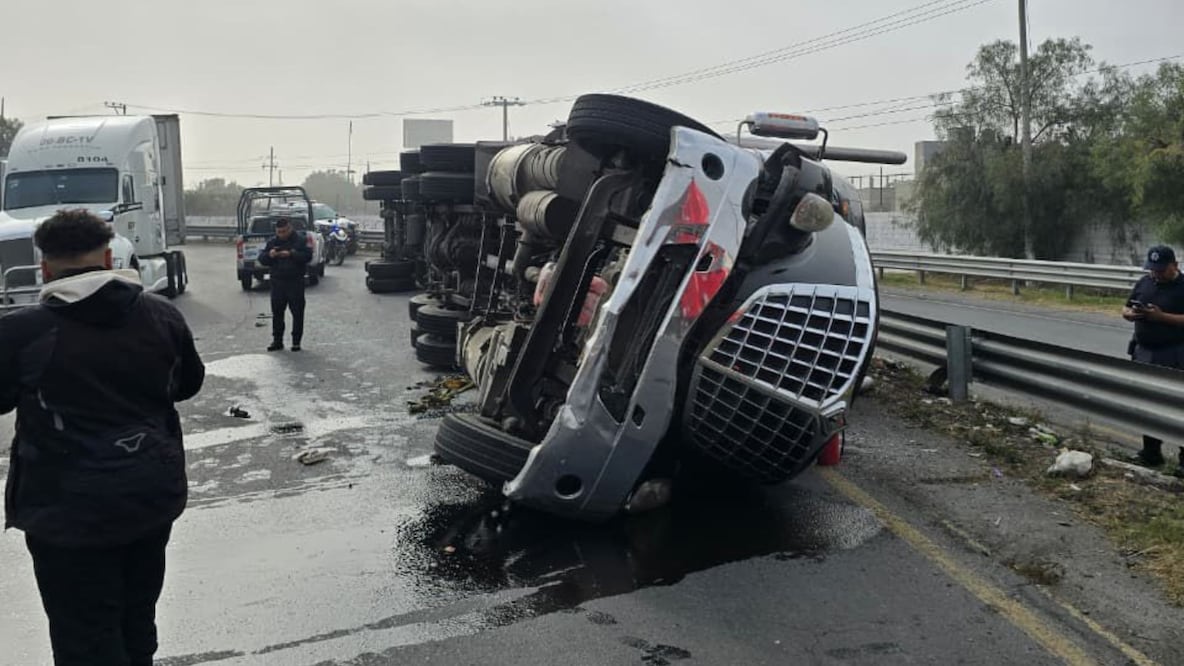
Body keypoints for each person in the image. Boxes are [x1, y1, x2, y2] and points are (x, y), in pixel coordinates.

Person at [0, 208, 205, 665]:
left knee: (84, 634)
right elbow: (188, 384)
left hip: (65, 511)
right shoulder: (160, 314)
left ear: (44, 267)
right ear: (109, 256)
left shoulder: (21, 331)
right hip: (150, 495)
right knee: (137, 618)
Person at [1122, 244, 1184, 476]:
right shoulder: (1144, 282)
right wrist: (1132, 314)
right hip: (1144, 351)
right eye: (1152, 269)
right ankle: (1151, 452)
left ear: (1174, 266)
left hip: (1175, 353)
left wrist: (1161, 317)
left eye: (1161, 270)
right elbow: (1126, 307)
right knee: (1147, 403)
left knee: (1177, 405)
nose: (1155, 274)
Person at [257, 217, 312, 351]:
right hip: (278, 282)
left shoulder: (300, 240)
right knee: (277, 313)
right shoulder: (273, 241)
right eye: (279, 232)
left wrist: (291, 254)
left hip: (295, 281)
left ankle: (296, 341)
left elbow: (307, 256)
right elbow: (262, 259)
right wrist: (270, 255)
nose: (281, 234)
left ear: (290, 228)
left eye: (284, 231)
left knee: (297, 313)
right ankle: (277, 341)